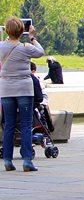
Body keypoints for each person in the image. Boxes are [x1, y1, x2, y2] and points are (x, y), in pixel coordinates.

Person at [0, 16, 44, 172]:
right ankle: (27, 160)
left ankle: (7, 160)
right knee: (25, 124)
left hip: (6, 89)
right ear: (22, 31)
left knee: (9, 125)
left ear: (7, 30)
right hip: (24, 88)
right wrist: (32, 37)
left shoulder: (1, 46)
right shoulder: (26, 47)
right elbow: (41, 52)